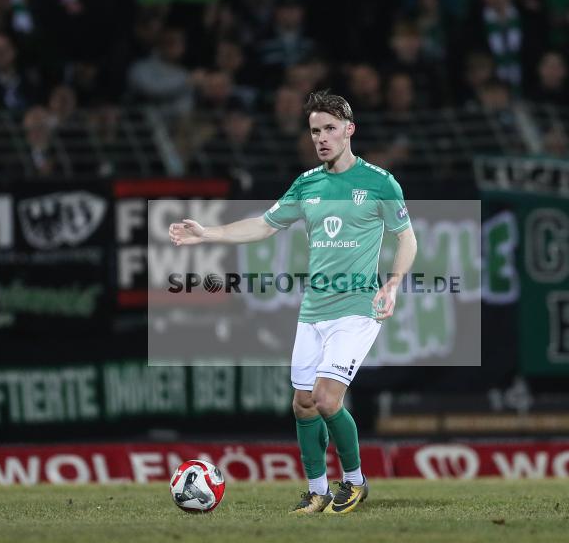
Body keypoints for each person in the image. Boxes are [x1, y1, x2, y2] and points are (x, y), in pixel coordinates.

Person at [170, 91, 417, 515]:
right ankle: (318, 490)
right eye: (315, 131)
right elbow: (264, 226)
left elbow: (407, 239)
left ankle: (355, 482)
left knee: (326, 399)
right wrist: (207, 233)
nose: (321, 138)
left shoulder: (379, 182)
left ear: (349, 130)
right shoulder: (307, 184)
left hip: (357, 308)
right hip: (314, 311)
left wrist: (392, 284)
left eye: (330, 129)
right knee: (302, 403)